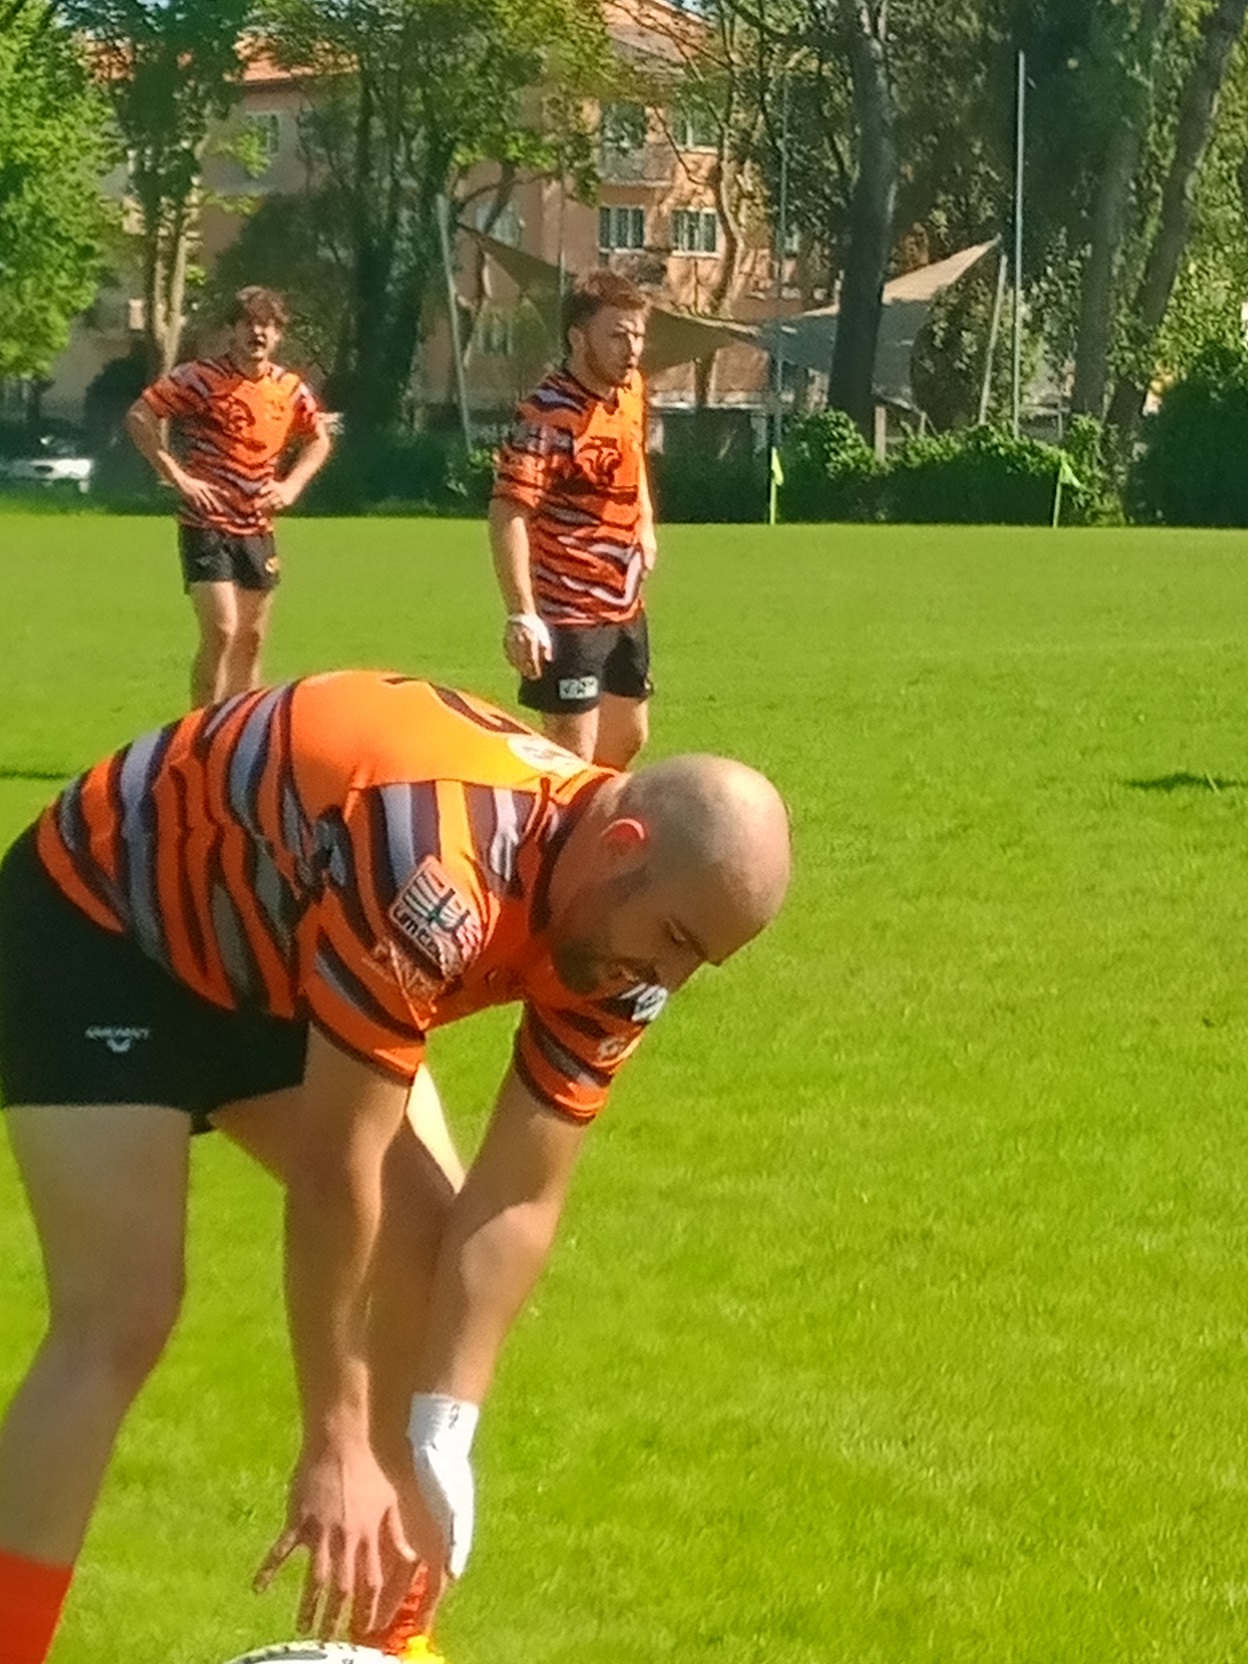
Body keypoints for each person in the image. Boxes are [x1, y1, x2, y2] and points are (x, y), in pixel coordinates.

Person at [0, 670, 791, 1664]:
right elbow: (341, 1165)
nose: (665, 980)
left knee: (423, 1237)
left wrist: (445, 1425)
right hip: (103, 926)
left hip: (285, 954)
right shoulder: (438, 862)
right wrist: (333, 1437)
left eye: (698, 961)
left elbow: (518, 1198)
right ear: (621, 845)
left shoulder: (625, 949)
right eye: (673, 939)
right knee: (122, 1313)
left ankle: (396, 1642)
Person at [125, 286, 333, 710]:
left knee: (251, 639)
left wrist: (291, 486)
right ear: (232, 330)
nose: (258, 333)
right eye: (249, 323)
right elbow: (140, 416)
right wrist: (178, 477)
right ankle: (199, 731)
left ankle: (236, 734)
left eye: (268, 325)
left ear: (279, 335)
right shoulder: (200, 378)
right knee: (222, 629)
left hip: (257, 527)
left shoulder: (289, 388)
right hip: (207, 523)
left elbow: (318, 439)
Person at [490, 269, 658, 770]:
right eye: (618, 335)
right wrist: (522, 613)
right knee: (572, 755)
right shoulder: (546, 415)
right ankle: (550, 822)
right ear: (578, 338)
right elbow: (508, 512)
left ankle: (589, 820)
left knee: (628, 739)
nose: (632, 350)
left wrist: (645, 524)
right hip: (567, 610)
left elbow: (634, 455)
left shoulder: (630, 391)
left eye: (638, 335)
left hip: (624, 603)